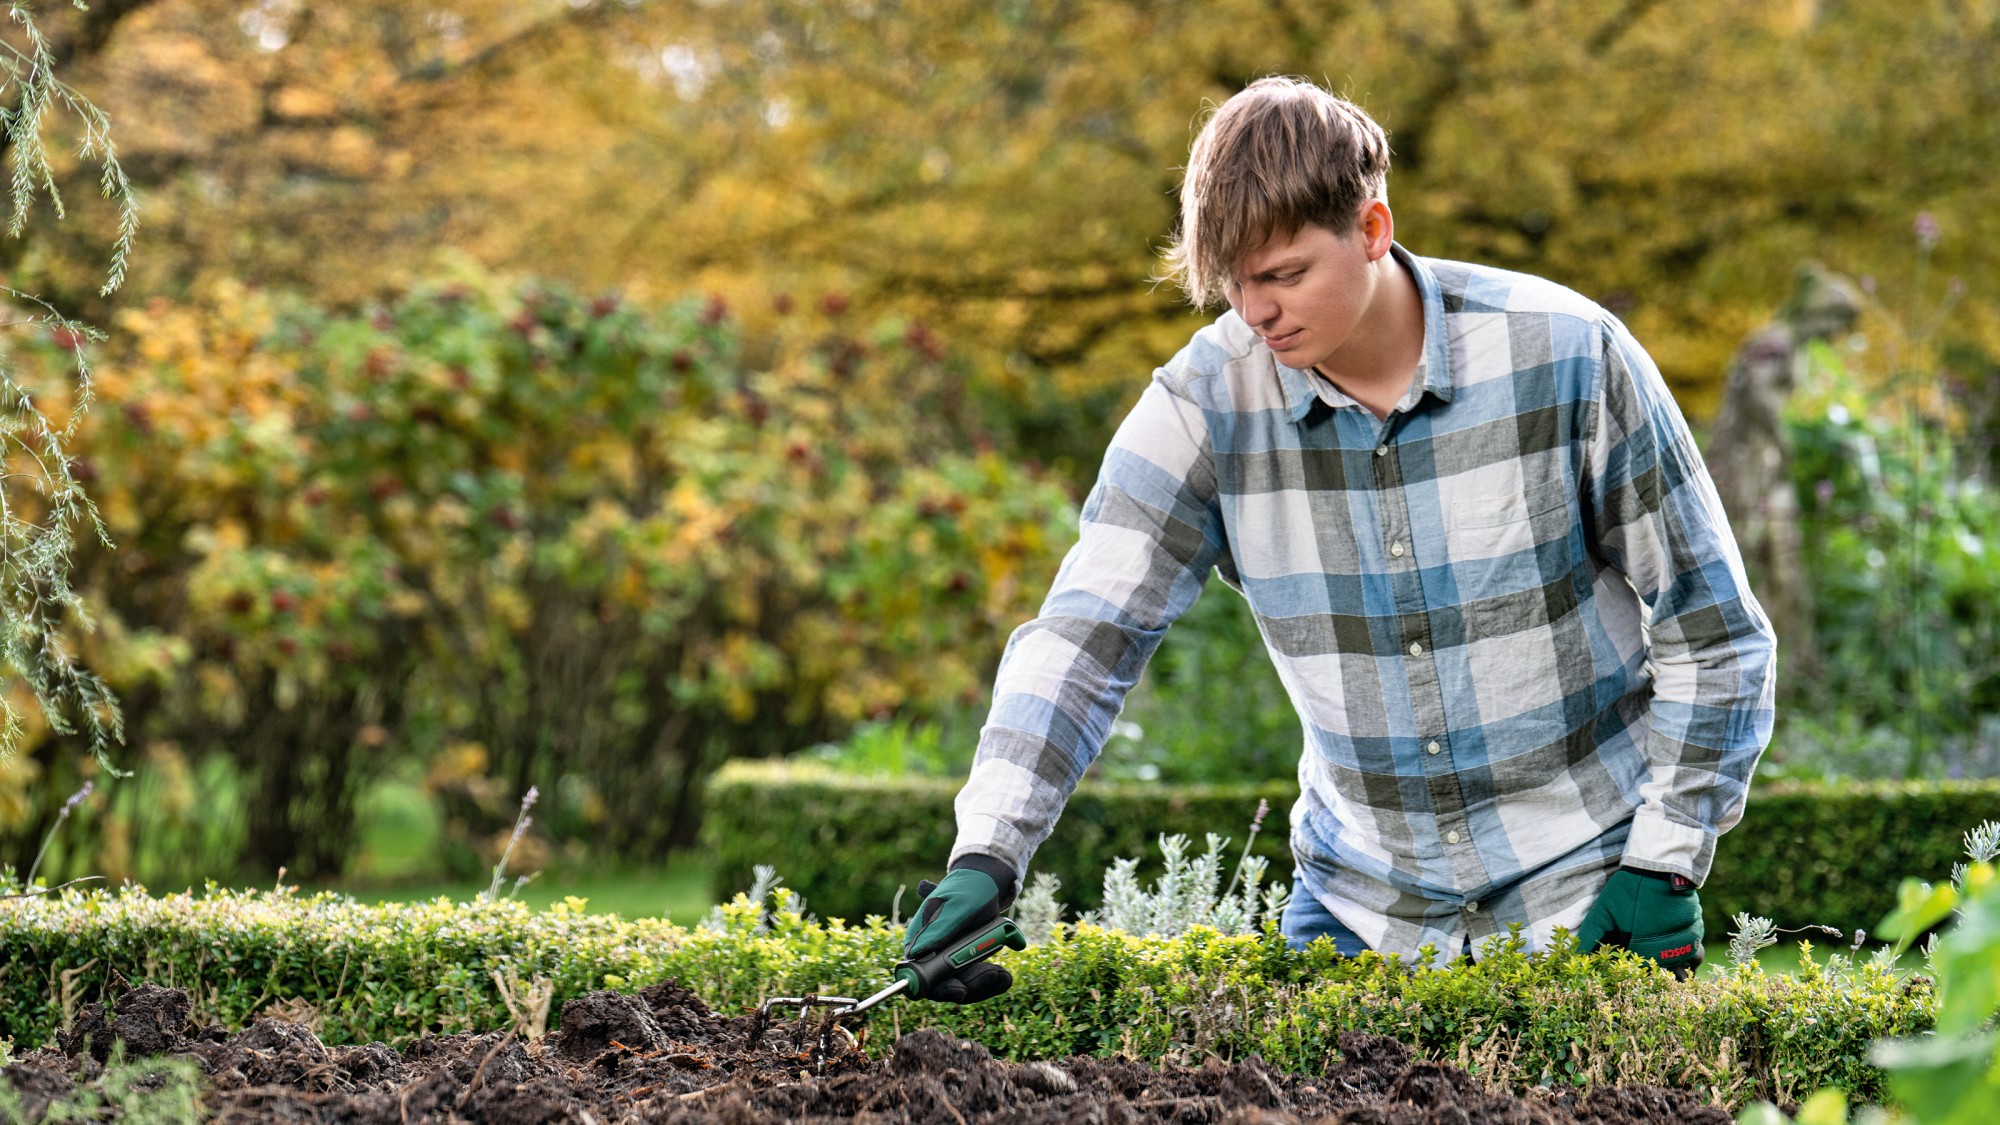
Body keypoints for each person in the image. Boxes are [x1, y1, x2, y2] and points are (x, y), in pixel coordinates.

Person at [901, 77, 1776, 1002]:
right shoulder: (1207, 403)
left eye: (1283, 275)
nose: (1257, 312)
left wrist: (1666, 860)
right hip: (1360, 914)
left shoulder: (1566, 356)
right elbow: (1084, 636)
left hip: (1588, 889)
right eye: (1233, 283)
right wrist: (989, 851)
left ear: (1371, 228)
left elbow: (1712, 627)